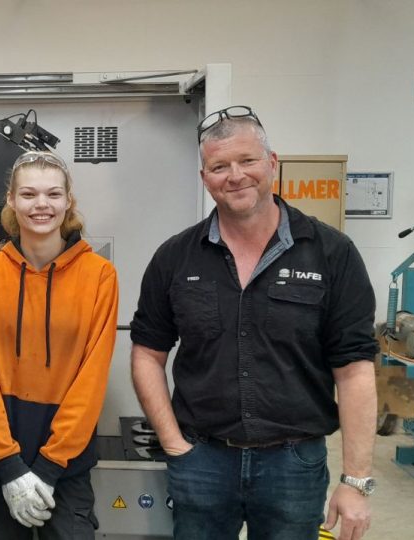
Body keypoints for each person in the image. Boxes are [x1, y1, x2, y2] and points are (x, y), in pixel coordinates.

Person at [129, 106, 378, 540]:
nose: (235, 176)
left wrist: (355, 481)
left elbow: (355, 370)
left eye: (247, 161)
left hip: (294, 465)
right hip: (201, 461)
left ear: (273, 163)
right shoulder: (175, 257)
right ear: (205, 178)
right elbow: (147, 354)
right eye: (219, 166)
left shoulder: (331, 253)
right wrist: (174, 444)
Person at [0, 151, 118, 539]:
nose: (41, 205)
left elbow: (92, 376)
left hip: (66, 460)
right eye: (29, 194)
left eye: (53, 194)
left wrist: (50, 466)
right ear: (12, 201)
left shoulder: (99, 276)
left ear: (68, 202)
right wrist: (8, 464)